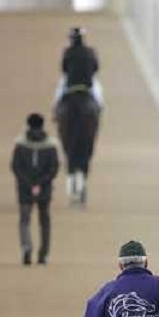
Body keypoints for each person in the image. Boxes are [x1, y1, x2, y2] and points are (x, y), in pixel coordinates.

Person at [56, 27, 101, 205]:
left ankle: (56, 112)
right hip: (87, 89)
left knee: (58, 95)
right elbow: (96, 68)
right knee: (98, 100)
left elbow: (64, 70)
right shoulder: (91, 52)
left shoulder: (68, 52)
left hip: (70, 89)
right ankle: (98, 114)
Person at [11, 113, 59, 265]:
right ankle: (43, 254)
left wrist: (29, 184)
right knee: (44, 221)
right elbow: (53, 168)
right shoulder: (50, 146)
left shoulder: (20, 145)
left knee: (24, 220)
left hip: (25, 189)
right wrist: (39, 184)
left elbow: (16, 167)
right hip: (44, 189)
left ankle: (26, 247)